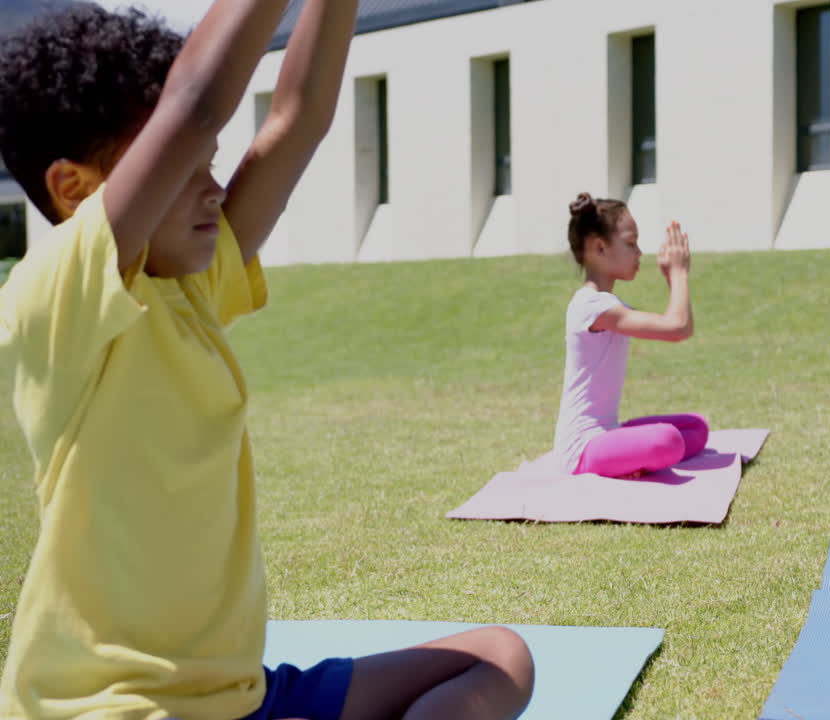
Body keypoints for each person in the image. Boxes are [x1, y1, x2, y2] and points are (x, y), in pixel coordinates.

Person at [0, 3, 532, 717]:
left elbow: (297, 118)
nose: (214, 188)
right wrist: (189, 121)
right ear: (74, 189)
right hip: (112, 706)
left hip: (238, 697)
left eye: (210, 164)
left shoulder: (189, 287)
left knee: (499, 656)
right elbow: (194, 102)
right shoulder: (55, 299)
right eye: (182, 169)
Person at [553, 192, 708, 479]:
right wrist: (678, 274)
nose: (639, 253)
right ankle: (621, 459)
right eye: (630, 243)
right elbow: (678, 328)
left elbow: (673, 324)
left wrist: (671, 277)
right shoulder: (591, 307)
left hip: (607, 432)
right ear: (600, 247)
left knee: (695, 429)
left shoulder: (608, 305)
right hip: (582, 449)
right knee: (668, 440)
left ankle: (626, 455)